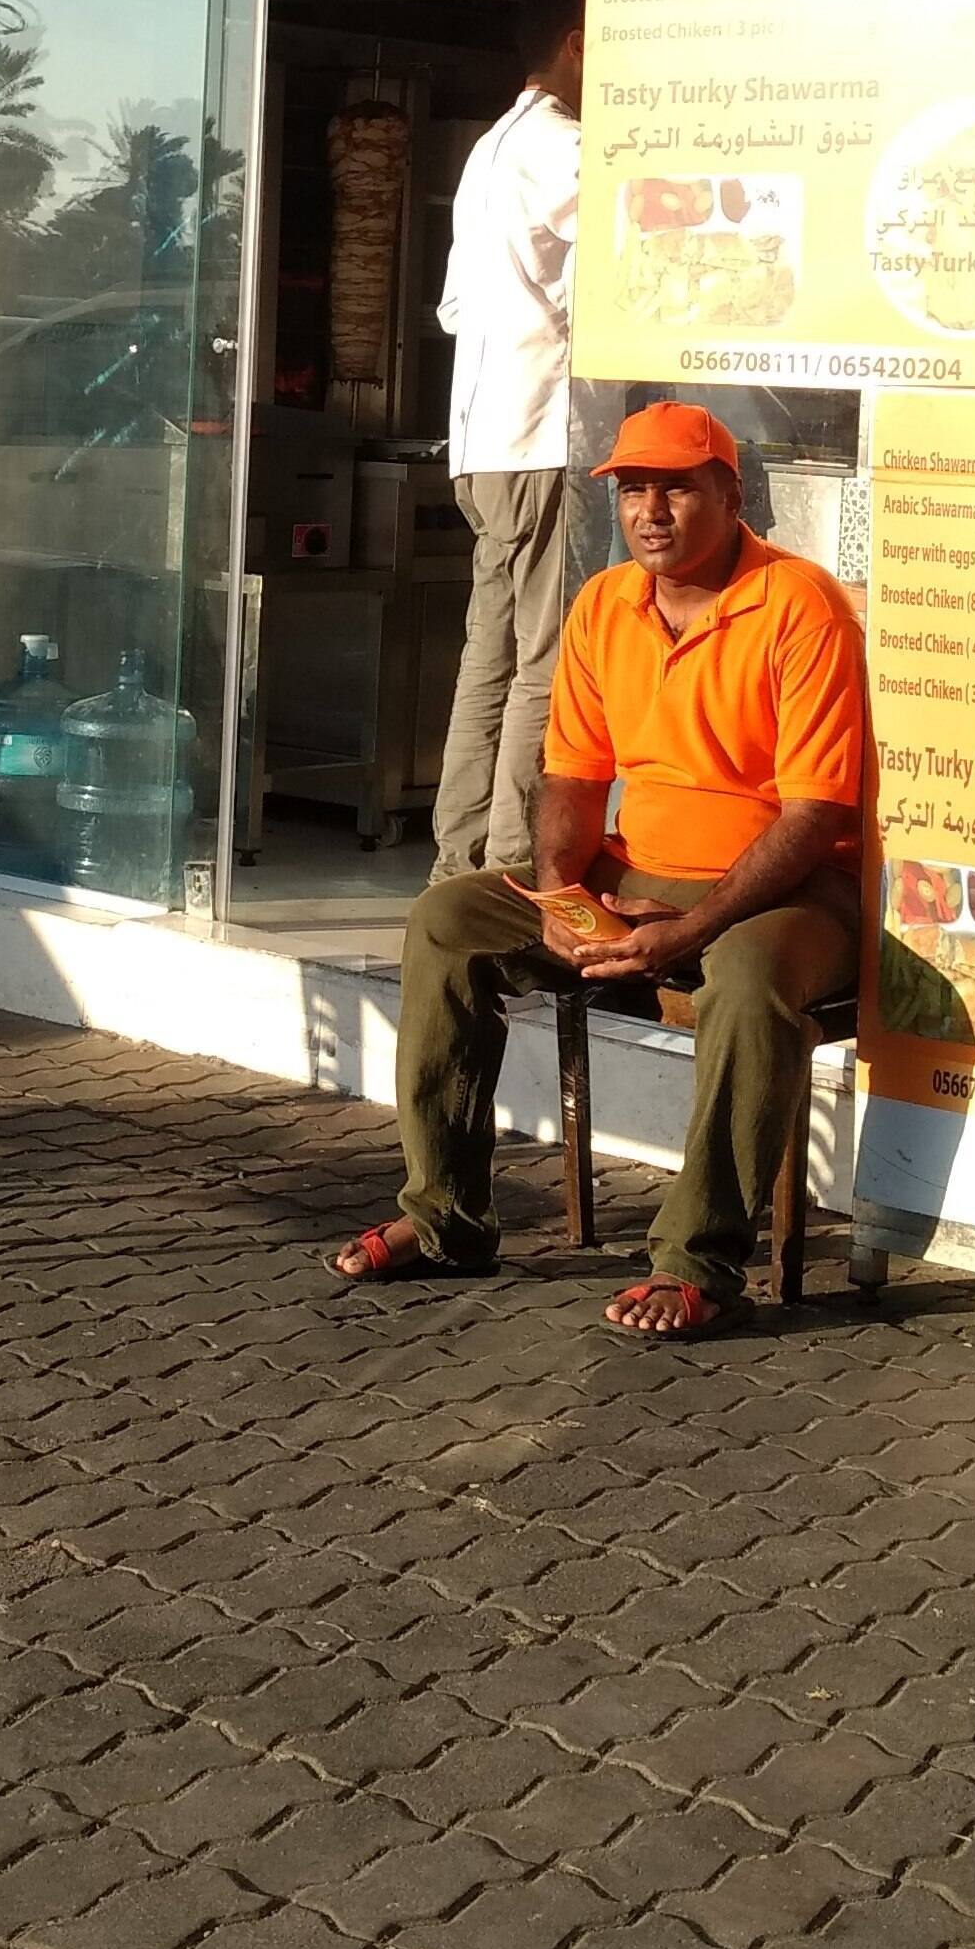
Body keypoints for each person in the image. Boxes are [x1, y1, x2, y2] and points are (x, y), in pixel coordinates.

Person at [334, 404, 865, 1342]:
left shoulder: (800, 603)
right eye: (632, 490)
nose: (650, 511)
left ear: (732, 495)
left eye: (676, 489)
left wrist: (691, 929)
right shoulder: (603, 603)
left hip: (785, 889)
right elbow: (572, 780)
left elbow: (814, 816)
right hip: (636, 873)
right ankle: (446, 1218)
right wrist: (562, 899)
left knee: (747, 981)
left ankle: (699, 1262)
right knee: (449, 919)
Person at [429, 0, 586, 877]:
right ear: (577, 43)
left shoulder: (488, 150)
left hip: (481, 440)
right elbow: (639, 253)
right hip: (538, 432)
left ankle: (456, 867)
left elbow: (454, 306)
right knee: (542, 661)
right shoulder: (564, 147)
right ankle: (509, 870)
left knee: (486, 659)